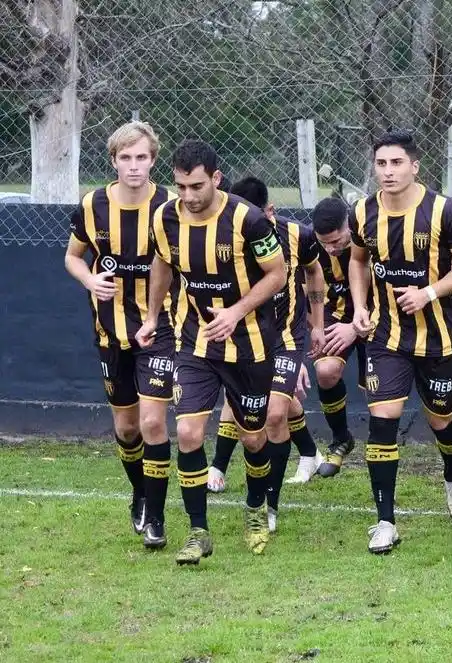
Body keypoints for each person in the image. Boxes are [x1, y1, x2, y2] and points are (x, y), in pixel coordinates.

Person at [137, 139, 289, 564]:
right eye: (181, 186)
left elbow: (278, 274)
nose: (188, 196)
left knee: (254, 437)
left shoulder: (250, 220)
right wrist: (152, 317)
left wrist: (237, 312)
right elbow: (164, 264)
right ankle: (198, 531)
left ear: (216, 179)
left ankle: (257, 506)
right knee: (187, 433)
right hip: (194, 342)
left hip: (251, 345)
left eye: (197, 186)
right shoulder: (165, 217)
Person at [348, 130, 452, 554]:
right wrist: (359, 306)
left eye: (396, 163)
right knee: (383, 419)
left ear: (414, 166)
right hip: (386, 337)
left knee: (444, 421)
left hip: (439, 336)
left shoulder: (445, 211)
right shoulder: (363, 213)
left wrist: (429, 292)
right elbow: (356, 260)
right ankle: (385, 521)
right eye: (381, 164)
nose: (388, 172)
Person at [63, 121, 176, 549]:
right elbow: (73, 258)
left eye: (142, 157)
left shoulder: (169, 205)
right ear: (113, 161)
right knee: (127, 428)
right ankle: (141, 493)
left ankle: (158, 519)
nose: (134, 166)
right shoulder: (93, 205)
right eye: (125, 158)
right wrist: (91, 282)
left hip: (159, 329)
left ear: (153, 160)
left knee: (152, 423)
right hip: (110, 332)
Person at [206, 177, 326, 532]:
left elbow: (315, 271)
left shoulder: (297, 236)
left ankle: (268, 506)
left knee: (275, 415)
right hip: (244, 339)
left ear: (268, 211)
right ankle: (306, 454)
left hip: (286, 338)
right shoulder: (219, 235)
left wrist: (317, 324)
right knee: (250, 419)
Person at [308, 197, 367, 477]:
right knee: (326, 370)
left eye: (337, 240)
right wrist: (316, 326)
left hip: (377, 317)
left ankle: (383, 446)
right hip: (336, 315)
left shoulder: (368, 238)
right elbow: (305, 292)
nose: (331, 248)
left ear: (349, 227)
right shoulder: (310, 246)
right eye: (325, 242)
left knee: (378, 391)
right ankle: (341, 438)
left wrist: (355, 328)